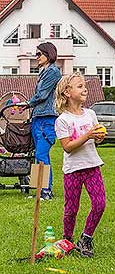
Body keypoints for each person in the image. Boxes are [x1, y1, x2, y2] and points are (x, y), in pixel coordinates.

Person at [54, 72, 107, 257]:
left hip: (92, 166)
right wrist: (88, 136)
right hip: (73, 170)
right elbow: (68, 147)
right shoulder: (63, 120)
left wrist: (99, 137)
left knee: (100, 204)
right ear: (67, 92)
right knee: (71, 209)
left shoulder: (90, 114)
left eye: (84, 85)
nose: (84, 89)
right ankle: (67, 240)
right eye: (79, 86)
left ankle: (86, 238)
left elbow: (96, 139)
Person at [28, 42, 61, 200]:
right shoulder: (43, 72)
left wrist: (27, 104)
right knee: (38, 156)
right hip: (38, 117)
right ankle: (39, 191)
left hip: (46, 118)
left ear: (48, 55)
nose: (36, 57)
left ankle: (46, 191)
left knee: (42, 154)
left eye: (39, 54)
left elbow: (42, 94)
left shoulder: (53, 72)